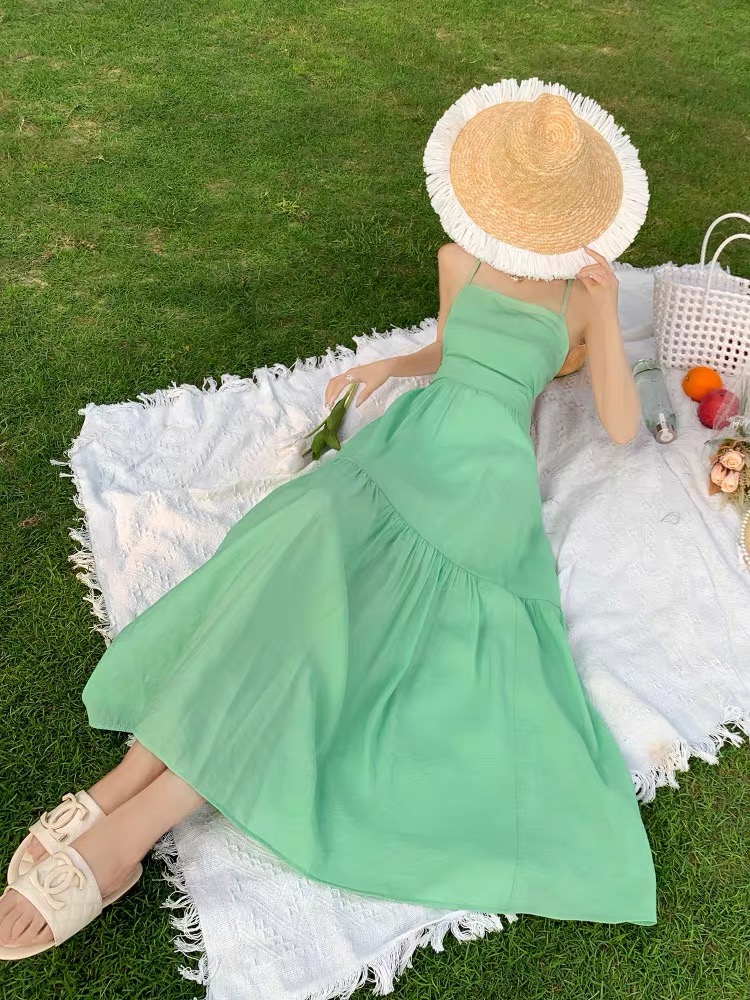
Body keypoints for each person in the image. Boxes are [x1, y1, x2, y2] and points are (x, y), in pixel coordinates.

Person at [0, 79, 656, 960]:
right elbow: (450, 347)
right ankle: (123, 784)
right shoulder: (459, 259)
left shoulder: (582, 296)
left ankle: (131, 821)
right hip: (410, 444)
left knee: (358, 614)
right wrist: (392, 364)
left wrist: (606, 314)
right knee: (301, 535)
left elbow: (621, 425)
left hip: (484, 482)